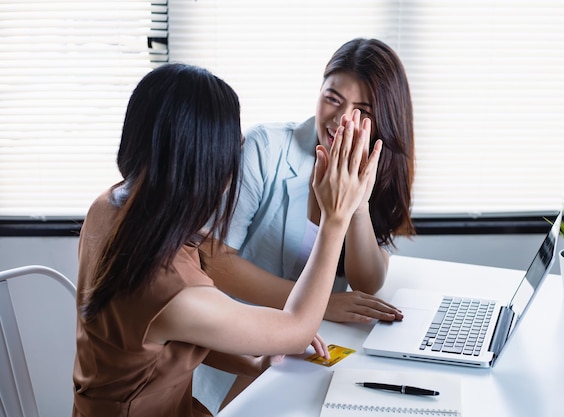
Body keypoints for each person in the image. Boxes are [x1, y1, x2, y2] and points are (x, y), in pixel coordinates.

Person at [72, 63, 381, 416]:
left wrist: (256, 361)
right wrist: (334, 218)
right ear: (207, 164)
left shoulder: (109, 206)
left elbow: (158, 339)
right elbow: (296, 330)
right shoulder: (176, 293)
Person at [200, 38, 414, 324]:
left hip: (313, 345)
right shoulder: (264, 147)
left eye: (362, 111)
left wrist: (358, 206)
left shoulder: (378, 167)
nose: (341, 120)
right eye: (332, 99)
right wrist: (318, 304)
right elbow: (212, 260)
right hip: (237, 339)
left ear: (386, 119)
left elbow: (367, 283)